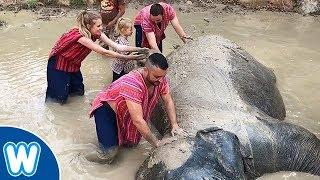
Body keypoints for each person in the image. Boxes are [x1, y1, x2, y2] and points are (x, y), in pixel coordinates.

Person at [89, 53, 186, 163]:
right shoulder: (132, 83)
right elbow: (138, 120)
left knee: (131, 145)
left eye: (163, 76)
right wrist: (157, 143)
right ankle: (82, 158)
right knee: (109, 154)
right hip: (107, 111)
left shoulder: (160, 79)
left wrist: (174, 125)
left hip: (126, 110)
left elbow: (168, 101)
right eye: (157, 77)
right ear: (145, 70)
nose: (160, 80)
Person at [46, 11, 148, 104]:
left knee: (78, 92)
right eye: (98, 26)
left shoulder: (97, 33)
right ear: (89, 26)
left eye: (101, 24)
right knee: (59, 98)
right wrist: (130, 58)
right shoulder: (81, 37)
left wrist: (139, 49)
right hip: (58, 65)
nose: (101, 28)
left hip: (73, 64)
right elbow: (104, 52)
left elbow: (118, 47)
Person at [111, 17, 136, 82]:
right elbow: (123, 55)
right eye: (130, 29)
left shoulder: (122, 39)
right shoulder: (122, 41)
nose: (132, 31)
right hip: (120, 68)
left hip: (118, 67)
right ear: (123, 30)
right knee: (117, 82)